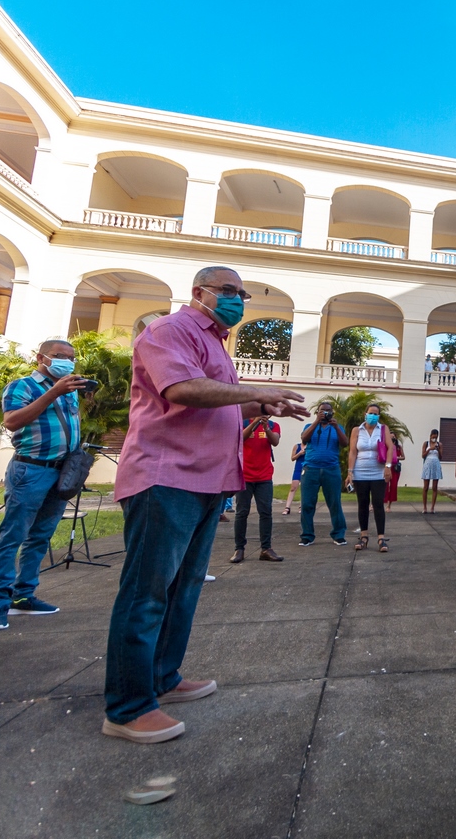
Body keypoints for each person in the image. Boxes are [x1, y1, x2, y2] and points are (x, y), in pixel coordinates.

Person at [103, 266, 306, 744]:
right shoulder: (171, 330)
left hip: (206, 482)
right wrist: (256, 390)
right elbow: (181, 391)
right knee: (147, 592)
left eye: (243, 295)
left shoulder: (215, 342)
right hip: (166, 477)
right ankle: (127, 707)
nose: (238, 300)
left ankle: (163, 679)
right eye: (230, 292)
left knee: (183, 588)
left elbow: (219, 404)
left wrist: (261, 407)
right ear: (200, 293)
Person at [0, 339, 85, 632]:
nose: (66, 361)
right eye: (59, 356)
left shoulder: (69, 390)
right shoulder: (22, 386)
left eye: (71, 357)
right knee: (13, 535)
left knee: (40, 536)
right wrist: (52, 393)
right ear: (41, 358)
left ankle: (23, 594)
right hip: (31, 470)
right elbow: (12, 422)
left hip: (62, 473)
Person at [231, 414, 283, 563]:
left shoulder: (273, 425)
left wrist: (266, 427)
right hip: (245, 476)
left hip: (264, 477)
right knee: (241, 513)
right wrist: (255, 422)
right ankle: (239, 549)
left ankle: (266, 549)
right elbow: (240, 439)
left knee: (266, 512)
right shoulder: (243, 423)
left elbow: (275, 441)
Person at [346, 403, 396, 552]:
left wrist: (388, 467)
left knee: (378, 504)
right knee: (362, 504)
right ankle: (364, 537)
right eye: (371, 413)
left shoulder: (383, 429)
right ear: (365, 414)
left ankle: (381, 538)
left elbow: (390, 447)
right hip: (360, 472)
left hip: (378, 473)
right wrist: (350, 472)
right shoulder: (357, 430)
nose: (373, 416)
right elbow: (353, 452)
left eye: (376, 414)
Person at [300, 401, 349, 547]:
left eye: (328, 411)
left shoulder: (337, 427)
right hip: (311, 469)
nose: (325, 413)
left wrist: (335, 427)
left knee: (334, 503)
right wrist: (316, 421)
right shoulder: (309, 426)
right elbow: (304, 438)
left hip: (331, 469)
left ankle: (339, 534)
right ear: (317, 412)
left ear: (332, 413)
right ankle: (307, 536)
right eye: (322, 411)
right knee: (307, 503)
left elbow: (345, 443)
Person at [421, 429, 443, 513]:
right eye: (433, 436)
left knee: (434, 487)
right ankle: (424, 507)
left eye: (436, 437)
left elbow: (441, 457)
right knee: (426, 487)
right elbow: (423, 455)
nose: (434, 438)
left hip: (436, 464)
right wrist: (429, 449)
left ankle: (432, 507)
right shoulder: (426, 444)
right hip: (427, 464)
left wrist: (437, 450)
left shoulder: (439, 444)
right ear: (430, 436)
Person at [282, 442, 304, 515]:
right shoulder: (297, 446)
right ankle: (287, 507)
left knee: (304, 488)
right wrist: (300, 453)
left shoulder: (310, 446)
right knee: (293, 487)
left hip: (306, 467)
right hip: (298, 468)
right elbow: (292, 458)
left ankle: (301, 506)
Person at [385, 435, 404, 511]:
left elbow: (403, 457)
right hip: (387, 467)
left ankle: (389, 505)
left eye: (394, 437)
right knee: (385, 486)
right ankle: (381, 502)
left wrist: (396, 457)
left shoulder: (399, 447)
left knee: (393, 486)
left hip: (395, 468)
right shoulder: (385, 446)